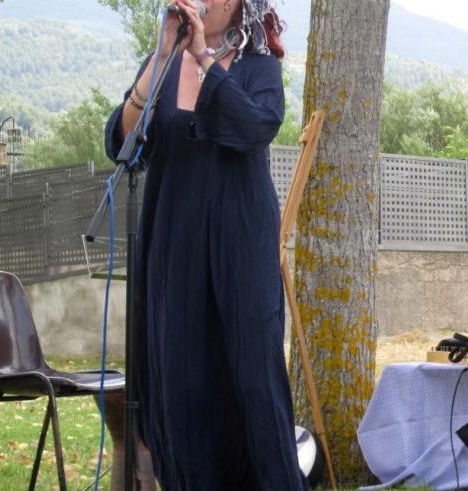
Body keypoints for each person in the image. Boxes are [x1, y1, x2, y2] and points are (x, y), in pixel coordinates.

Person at [103, 0, 307, 489]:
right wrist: (160, 58)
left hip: (240, 241)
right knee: (181, 382)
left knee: (253, 380)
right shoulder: (160, 69)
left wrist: (203, 57)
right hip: (174, 242)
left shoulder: (260, 67)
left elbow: (256, 126)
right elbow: (122, 146)